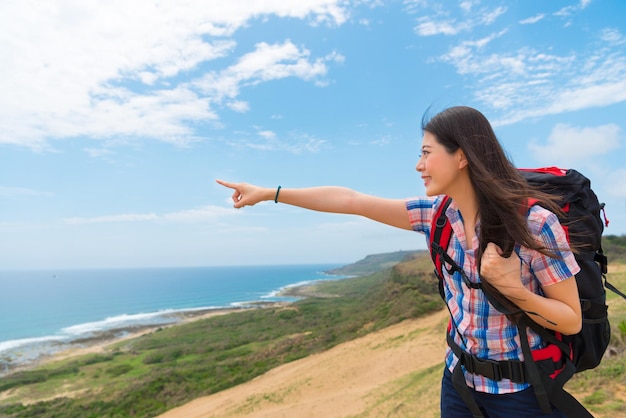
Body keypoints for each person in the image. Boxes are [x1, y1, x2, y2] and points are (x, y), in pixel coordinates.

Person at [216, 106, 582, 417]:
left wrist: (514, 291)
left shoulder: (533, 224)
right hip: (458, 381)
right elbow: (350, 200)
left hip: (519, 391)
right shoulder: (435, 216)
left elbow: (570, 320)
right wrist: (269, 193)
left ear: (462, 155)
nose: (418, 165)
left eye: (426, 153)